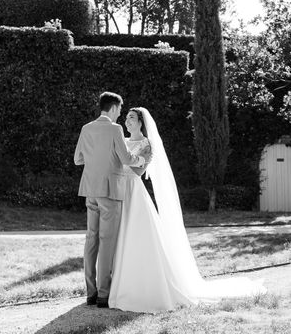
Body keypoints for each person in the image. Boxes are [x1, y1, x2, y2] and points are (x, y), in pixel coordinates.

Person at [108, 107, 266, 313]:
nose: (126, 121)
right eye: (126, 117)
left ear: (140, 123)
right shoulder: (122, 141)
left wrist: (127, 159)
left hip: (134, 192)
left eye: (131, 118)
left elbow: (138, 170)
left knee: (138, 236)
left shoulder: (147, 144)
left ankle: (146, 288)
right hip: (119, 191)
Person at [74, 92, 151, 308]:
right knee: (107, 241)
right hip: (110, 191)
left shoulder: (86, 128)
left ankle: (90, 293)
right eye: (120, 109)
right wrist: (141, 158)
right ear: (115, 108)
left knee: (91, 239)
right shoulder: (115, 129)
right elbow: (126, 159)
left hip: (90, 190)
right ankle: (103, 295)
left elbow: (78, 159)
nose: (121, 114)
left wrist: (96, 158)